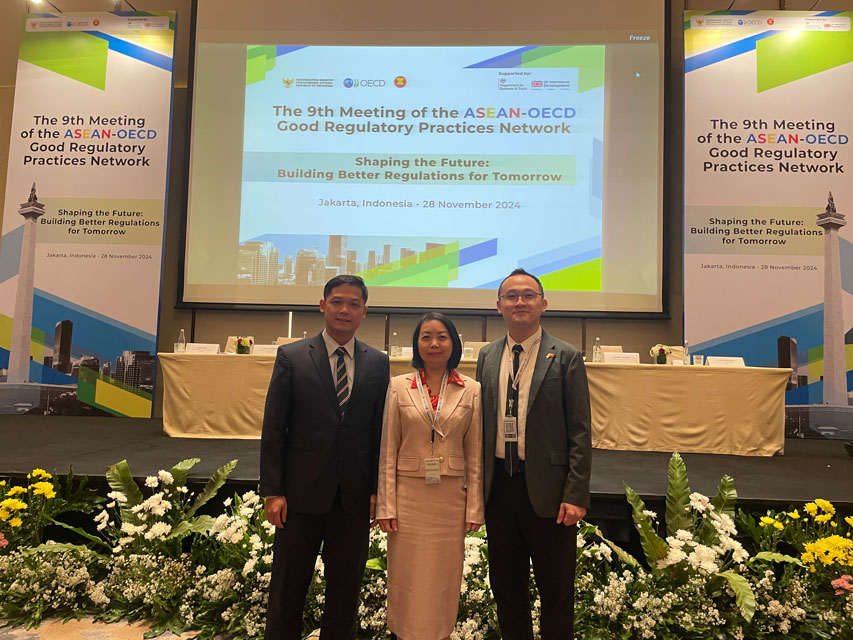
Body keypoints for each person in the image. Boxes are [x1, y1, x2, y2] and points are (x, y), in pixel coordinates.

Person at [260, 275, 390, 640]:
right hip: (299, 497)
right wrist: (273, 491)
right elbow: (274, 429)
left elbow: (379, 432)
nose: (344, 310)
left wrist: (378, 490)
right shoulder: (293, 356)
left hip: (352, 499)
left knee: (345, 593)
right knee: (288, 591)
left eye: (353, 303)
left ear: (364, 311)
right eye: (337, 302)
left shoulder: (378, 363)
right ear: (322, 306)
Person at [475, 268, 591, 640]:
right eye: (511, 296)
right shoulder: (488, 356)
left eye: (527, 295)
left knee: (555, 592)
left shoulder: (567, 356)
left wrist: (575, 494)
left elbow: (580, 429)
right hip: (500, 488)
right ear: (499, 307)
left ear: (543, 304)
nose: (519, 302)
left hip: (550, 491)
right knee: (507, 587)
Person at [376, 312, 484, 640]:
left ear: (454, 343)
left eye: (441, 336)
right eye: (426, 337)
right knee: (406, 577)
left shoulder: (472, 390)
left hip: (450, 501)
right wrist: (386, 505)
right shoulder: (397, 386)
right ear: (417, 344)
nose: (434, 344)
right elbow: (387, 450)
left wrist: (474, 507)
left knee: (442, 579)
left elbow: (476, 456)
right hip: (407, 498)